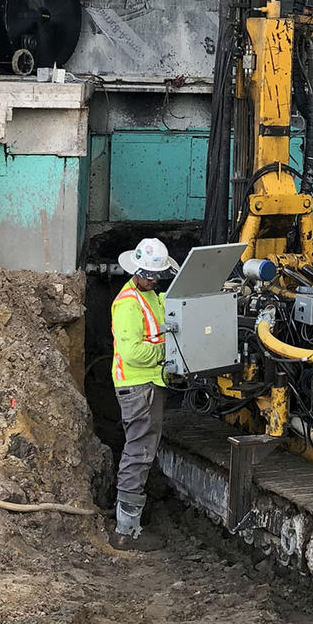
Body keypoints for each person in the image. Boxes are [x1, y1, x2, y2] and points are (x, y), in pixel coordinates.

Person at [109, 236, 178, 552]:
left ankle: (130, 524)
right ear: (135, 270)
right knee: (138, 452)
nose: (152, 279)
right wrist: (169, 351)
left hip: (149, 383)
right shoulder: (127, 304)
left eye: (156, 275)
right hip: (138, 386)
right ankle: (126, 531)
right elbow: (133, 352)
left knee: (142, 449)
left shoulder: (151, 296)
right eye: (148, 274)